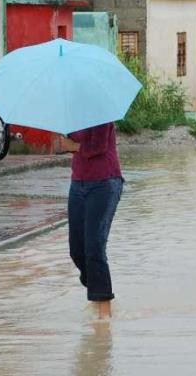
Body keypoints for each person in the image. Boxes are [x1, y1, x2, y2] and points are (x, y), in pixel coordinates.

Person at [64, 122, 124, 319]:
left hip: (105, 183)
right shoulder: (71, 116)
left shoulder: (102, 113)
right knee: (77, 250)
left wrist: (72, 146)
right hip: (78, 183)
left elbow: (96, 148)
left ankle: (104, 314)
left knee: (94, 247)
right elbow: (64, 143)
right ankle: (98, 292)